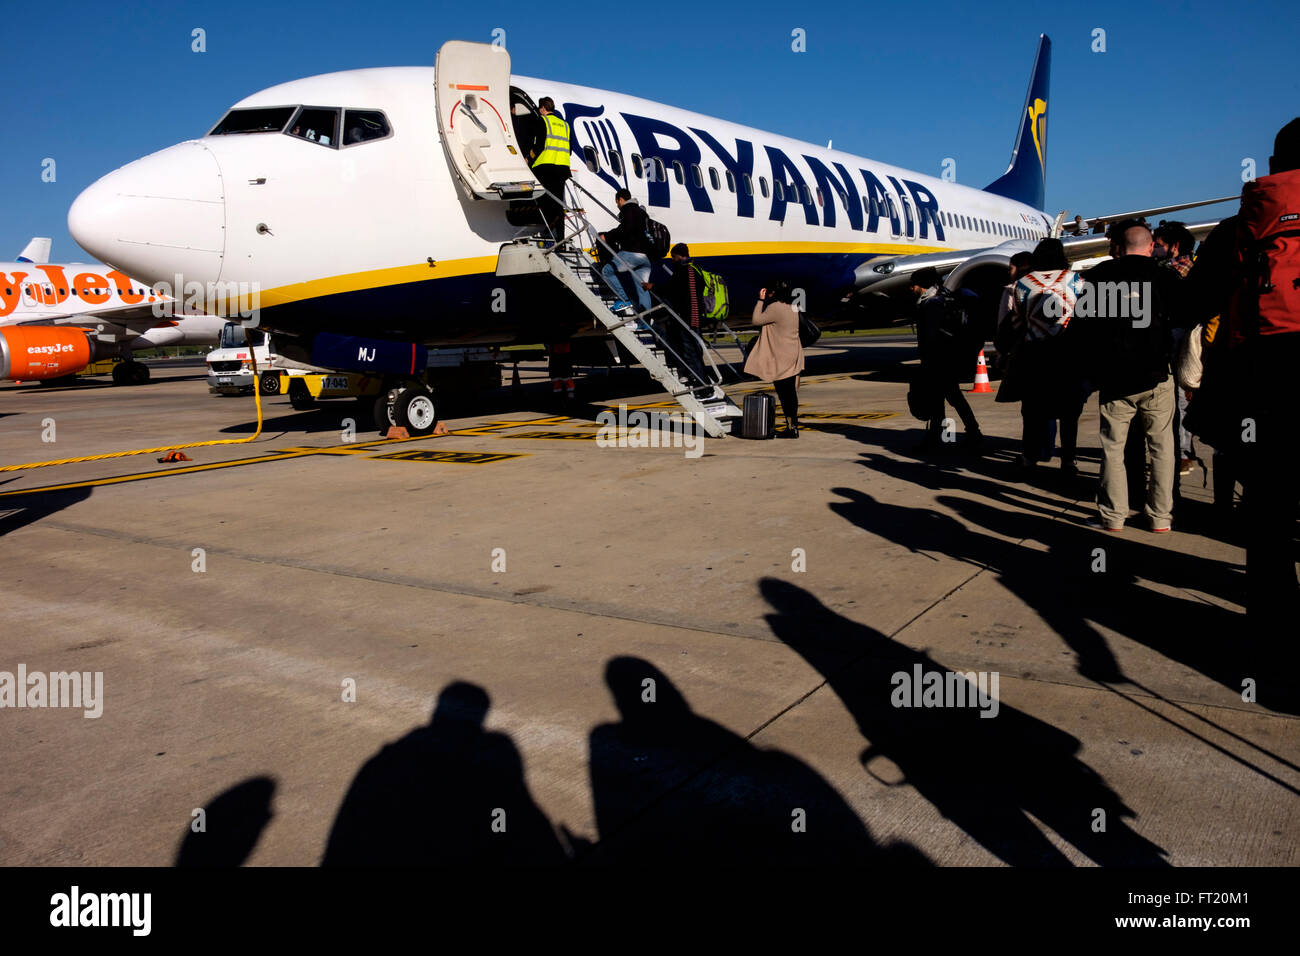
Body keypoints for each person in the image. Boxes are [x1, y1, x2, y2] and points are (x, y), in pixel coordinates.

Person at [1187, 117, 1300, 624]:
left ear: (1273, 166)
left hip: (1263, 386)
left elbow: (1192, 304)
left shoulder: (1239, 232)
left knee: (1268, 509)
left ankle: (1274, 622)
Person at [1078, 223, 1182, 531]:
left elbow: (1084, 331)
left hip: (1114, 378)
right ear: (1150, 247)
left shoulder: (1098, 277)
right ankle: (1161, 516)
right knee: (1163, 447)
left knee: (1113, 448)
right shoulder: (1165, 277)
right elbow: (1184, 322)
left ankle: (1113, 516)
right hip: (1157, 376)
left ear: (1120, 248)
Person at [1004, 240, 1085, 474]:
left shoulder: (1022, 283)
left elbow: (1016, 323)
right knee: (1070, 414)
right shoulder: (1077, 280)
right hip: (1068, 353)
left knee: (1032, 410)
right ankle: (1068, 460)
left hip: (1035, 355)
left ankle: (1029, 457)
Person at [910, 267, 983, 452]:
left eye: (913, 285)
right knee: (950, 399)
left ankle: (962, 435)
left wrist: (926, 359)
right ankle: (955, 435)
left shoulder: (931, 304)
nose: (911, 288)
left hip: (938, 361)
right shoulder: (945, 298)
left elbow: (931, 337)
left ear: (920, 285)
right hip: (948, 359)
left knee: (944, 400)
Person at [1152, 221, 1199, 478]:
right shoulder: (1197, 269)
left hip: (1174, 340)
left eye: (1158, 245)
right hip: (1188, 342)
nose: (1155, 250)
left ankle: (1181, 454)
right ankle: (1184, 450)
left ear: (1174, 247)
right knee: (1183, 399)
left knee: (1177, 400)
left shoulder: (1169, 272)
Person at [643, 243, 709, 386]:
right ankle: (693, 376)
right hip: (691, 317)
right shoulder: (695, 269)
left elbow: (672, 289)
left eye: (673, 257)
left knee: (690, 351)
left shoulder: (686, 270)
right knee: (691, 350)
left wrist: (652, 287)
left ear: (679, 256)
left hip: (688, 318)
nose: (672, 260)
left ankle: (702, 384)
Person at [744, 281, 805, 437]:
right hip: (793, 354)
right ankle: (793, 426)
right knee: (790, 394)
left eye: (770, 293)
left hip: (781, 357)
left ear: (775, 293)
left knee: (785, 395)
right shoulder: (793, 306)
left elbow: (756, 320)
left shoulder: (775, 307)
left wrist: (760, 300)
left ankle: (792, 429)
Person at [597, 188, 654, 315]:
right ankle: (646, 321)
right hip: (645, 257)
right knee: (642, 288)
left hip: (632, 253)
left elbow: (625, 229)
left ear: (621, 199)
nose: (617, 205)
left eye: (617, 202)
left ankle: (624, 299)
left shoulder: (628, 210)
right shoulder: (642, 212)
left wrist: (607, 236)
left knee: (607, 271)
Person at [530, 98, 572, 242]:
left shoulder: (543, 121)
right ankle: (560, 237)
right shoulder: (565, 125)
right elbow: (570, 149)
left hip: (546, 167)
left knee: (545, 202)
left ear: (542, 108)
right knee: (558, 204)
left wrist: (529, 158)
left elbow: (539, 146)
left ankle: (548, 233)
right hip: (562, 169)